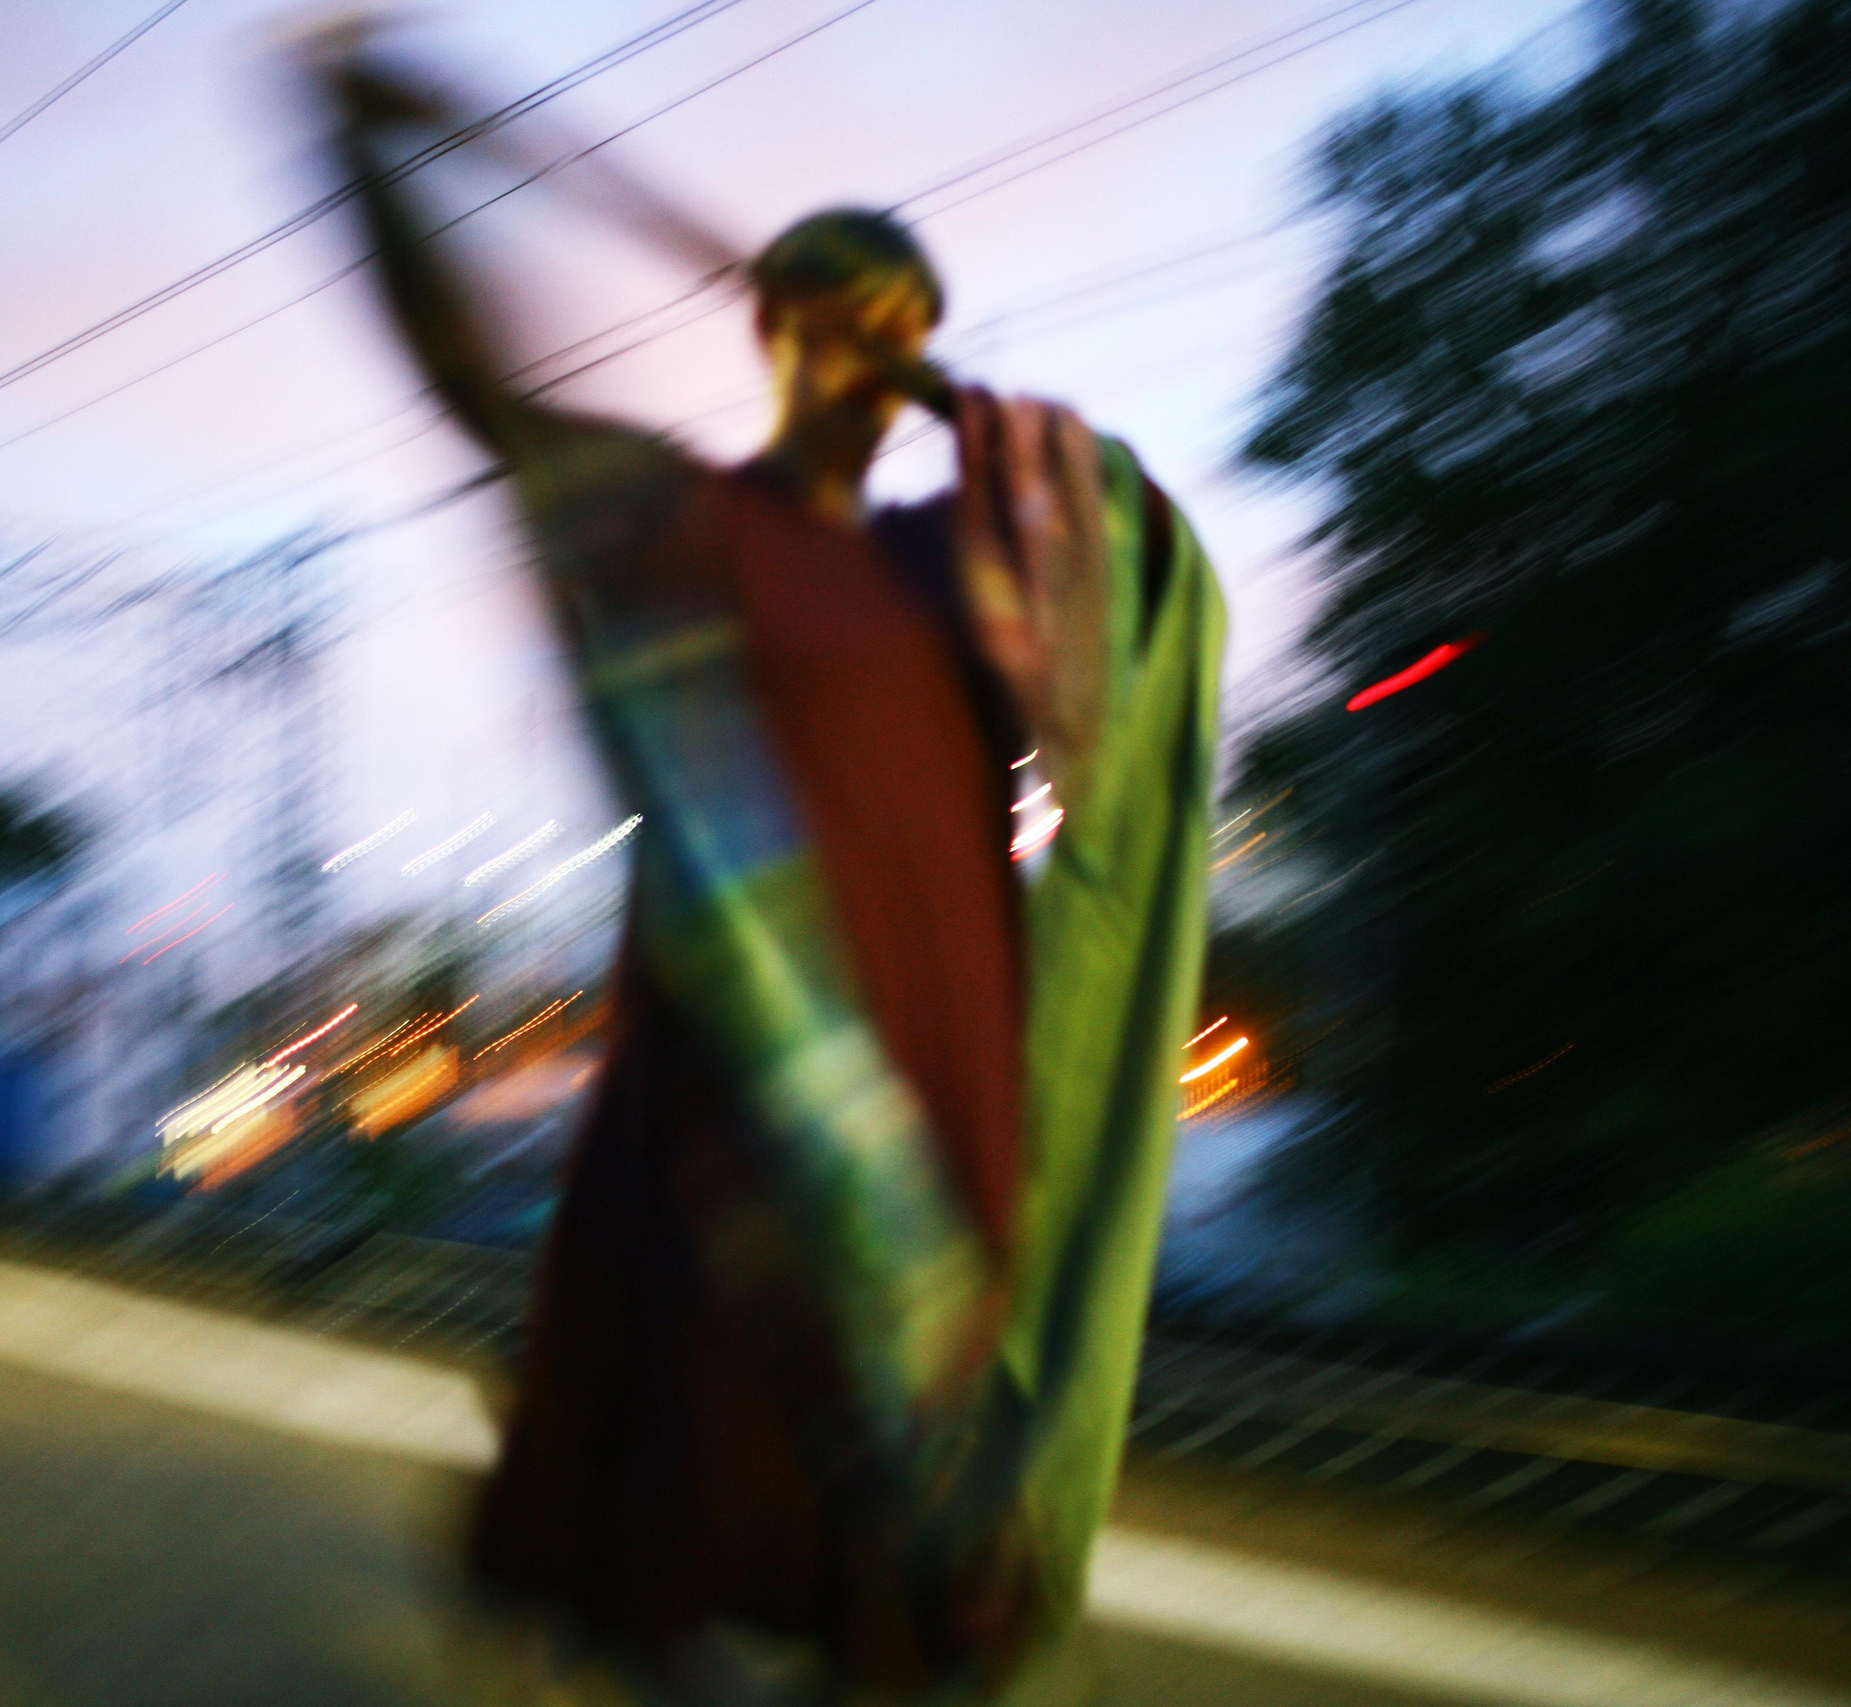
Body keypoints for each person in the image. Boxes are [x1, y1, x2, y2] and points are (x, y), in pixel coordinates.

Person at [305, 32, 1225, 1704]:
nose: (882, 360)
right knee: (715, 1446)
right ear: (776, 332)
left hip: (943, 1069)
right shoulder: (675, 518)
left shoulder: (958, 561)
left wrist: (1008, 430)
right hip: (751, 1062)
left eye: (911, 335)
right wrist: (367, 150)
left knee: (908, 1495)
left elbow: (1131, 556)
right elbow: (477, 383)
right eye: (853, 322)